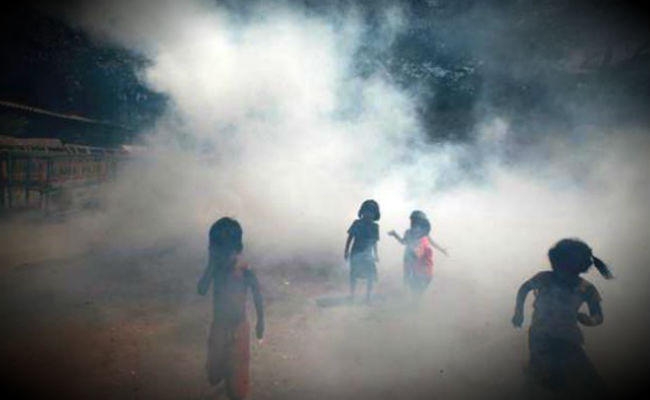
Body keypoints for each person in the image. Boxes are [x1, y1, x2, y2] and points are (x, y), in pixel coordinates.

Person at [511, 238, 613, 396]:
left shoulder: (586, 288)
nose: (563, 274)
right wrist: (519, 312)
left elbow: (598, 317)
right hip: (542, 337)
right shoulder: (544, 278)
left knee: (586, 381)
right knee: (544, 378)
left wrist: (588, 320)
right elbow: (523, 289)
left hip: (567, 340)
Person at [197, 217, 264, 400]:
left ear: (235, 249)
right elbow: (201, 290)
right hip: (219, 327)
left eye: (217, 249)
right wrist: (210, 266)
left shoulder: (245, 270)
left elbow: (257, 294)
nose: (215, 253)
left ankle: (233, 385)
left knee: (237, 388)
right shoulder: (216, 267)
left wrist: (261, 321)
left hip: (238, 329)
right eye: (213, 250)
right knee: (213, 375)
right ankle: (225, 378)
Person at [388, 210, 447, 296]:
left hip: (420, 258)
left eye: (417, 222)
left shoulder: (424, 234)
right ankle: (408, 293)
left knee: (420, 277)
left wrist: (442, 249)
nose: (414, 224)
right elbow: (403, 242)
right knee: (408, 276)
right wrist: (395, 235)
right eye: (413, 221)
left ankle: (414, 295)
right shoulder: (408, 232)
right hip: (409, 256)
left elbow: (432, 243)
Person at [344, 199, 380, 302]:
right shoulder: (357, 223)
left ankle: (368, 297)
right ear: (362, 212)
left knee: (370, 275)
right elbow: (350, 238)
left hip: (368, 254)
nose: (368, 214)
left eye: (371, 212)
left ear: (374, 214)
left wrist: (376, 254)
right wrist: (346, 251)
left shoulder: (375, 226)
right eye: (367, 211)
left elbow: (374, 242)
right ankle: (352, 295)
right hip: (356, 252)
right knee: (354, 275)